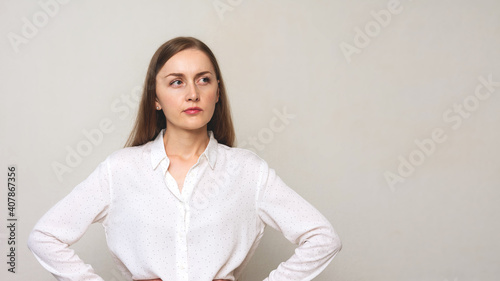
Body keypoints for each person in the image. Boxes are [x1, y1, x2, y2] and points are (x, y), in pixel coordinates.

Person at [28, 36, 342, 281]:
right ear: (155, 97)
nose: (192, 93)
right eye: (176, 81)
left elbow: (323, 239)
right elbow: (45, 237)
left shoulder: (248, 171)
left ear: (217, 92)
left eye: (204, 79)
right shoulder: (120, 170)